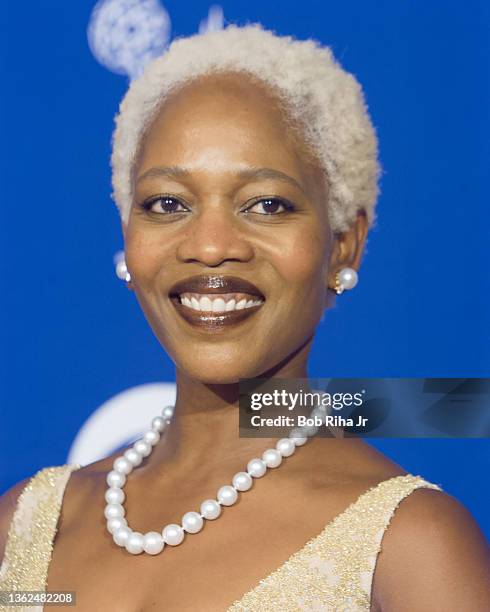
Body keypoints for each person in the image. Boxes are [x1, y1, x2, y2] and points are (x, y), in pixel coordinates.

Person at [0, 24, 489, 611]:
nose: (209, 246)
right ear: (128, 236)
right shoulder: (25, 524)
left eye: (265, 204)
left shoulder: (410, 548)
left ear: (343, 244)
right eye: (168, 204)